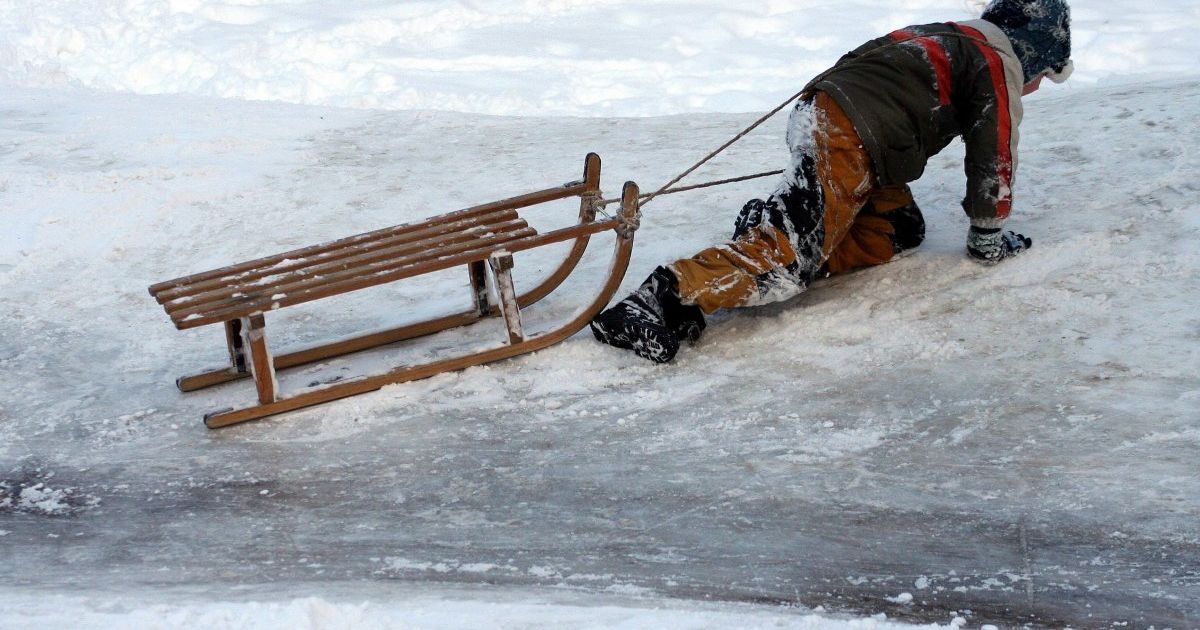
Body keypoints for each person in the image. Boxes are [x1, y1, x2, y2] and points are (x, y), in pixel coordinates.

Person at [590, 0, 1073, 363]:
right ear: (1035, 50)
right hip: (851, 133)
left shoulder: (947, 33)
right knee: (788, 257)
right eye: (1045, 75)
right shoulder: (997, 59)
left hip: (836, 119)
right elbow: (995, 151)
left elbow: (860, 62)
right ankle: (662, 299)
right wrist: (988, 235)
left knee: (898, 230)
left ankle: (779, 222)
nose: (1034, 86)